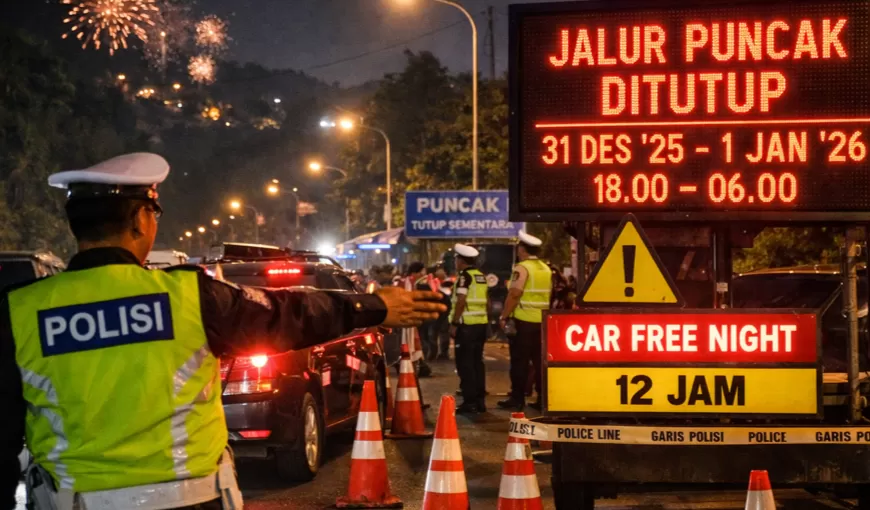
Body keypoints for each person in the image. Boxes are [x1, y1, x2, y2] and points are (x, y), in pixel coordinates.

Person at [0, 153, 445, 510]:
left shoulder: (19, 309)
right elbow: (287, 314)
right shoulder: (188, 296)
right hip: (191, 500)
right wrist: (373, 305)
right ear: (140, 220)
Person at [497, 231, 552, 412]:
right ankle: (542, 400)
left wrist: (504, 316)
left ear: (522, 249)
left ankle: (517, 398)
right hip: (543, 322)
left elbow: (514, 294)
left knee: (520, 362)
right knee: (539, 363)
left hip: (524, 322)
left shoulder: (522, 268)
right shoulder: (545, 268)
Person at [449, 244, 490, 414]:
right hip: (481, 324)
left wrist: (454, 322)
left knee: (465, 364)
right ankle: (479, 401)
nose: (455, 263)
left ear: (461, 260)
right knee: (477, 363)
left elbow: (461, 300)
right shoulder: (481, 276)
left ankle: (469, 401)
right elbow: (487, 300)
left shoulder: (465, 277)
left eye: (456, 259)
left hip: (466, 326)